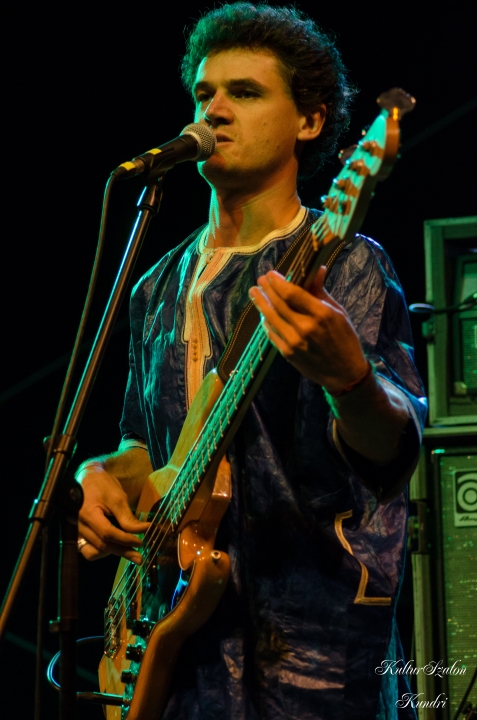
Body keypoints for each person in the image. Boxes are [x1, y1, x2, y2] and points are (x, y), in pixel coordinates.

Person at [76, 3, 427, 719]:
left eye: (245, 92)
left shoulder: (347, 264)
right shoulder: (156, 284)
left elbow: (391, 452)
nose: (214, 111)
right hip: (176, 640)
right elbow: (144, 443)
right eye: (204, 94)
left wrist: (350, 380)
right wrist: (99, 477)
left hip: (309, 651)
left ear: (311, 121)